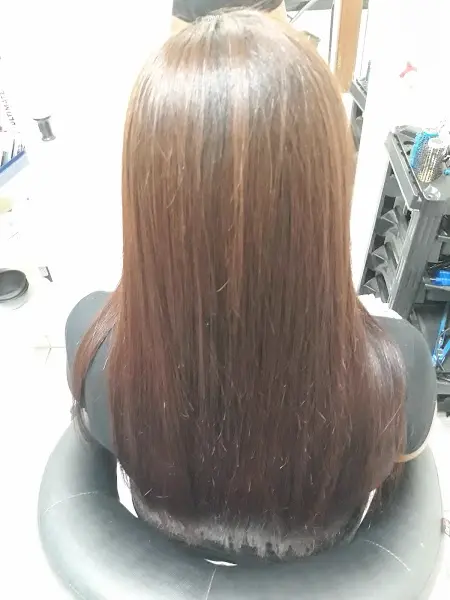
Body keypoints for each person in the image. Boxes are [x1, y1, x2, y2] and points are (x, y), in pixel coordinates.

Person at [66, 10, 436, 560]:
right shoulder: (399, 368)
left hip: (167, 557)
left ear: (145, 192)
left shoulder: (92, 344)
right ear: (324, 189)